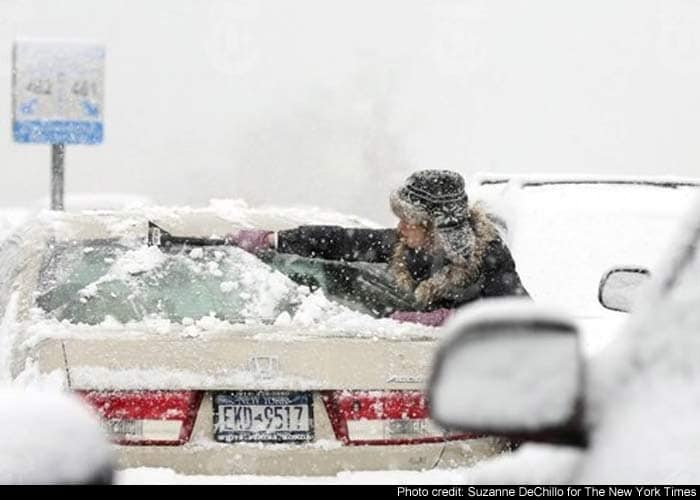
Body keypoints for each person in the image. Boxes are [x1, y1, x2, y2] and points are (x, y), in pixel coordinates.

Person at [227, 170, 528, 326]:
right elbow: (343, 242)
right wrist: (273, 240)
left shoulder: (488, 256)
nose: (399, 228)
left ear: (434, 226)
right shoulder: (408, 246)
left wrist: (454, 320)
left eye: (407, 220)